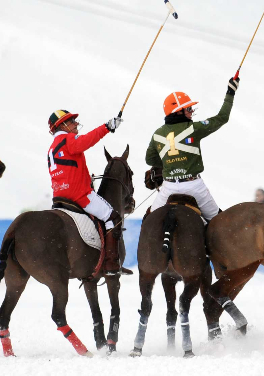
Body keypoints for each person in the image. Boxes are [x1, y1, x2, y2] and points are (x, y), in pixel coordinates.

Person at [143, 77, 238, 221]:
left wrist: (169, 163)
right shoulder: (193, 128)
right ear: (178, 111)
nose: (191, 111)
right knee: (220, 224)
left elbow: (150, 159)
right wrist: (230, 93)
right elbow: (222, 118)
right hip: (194, 187)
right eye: (188, 108)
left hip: (168, 188)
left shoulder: (157, 134)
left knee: (149, 221)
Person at [48, 108, 124, 274]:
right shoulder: (68, 139)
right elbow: (87, 141)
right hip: (79, 196)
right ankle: (111, 264)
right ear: (62, 126)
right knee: (113, 217)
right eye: (71, 121)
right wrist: (107, 126)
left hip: (59, 197)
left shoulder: (52, 148)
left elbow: (66, 172)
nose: (75, 124)